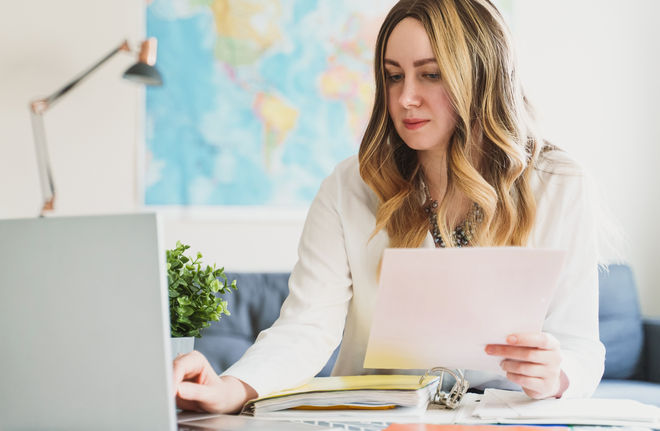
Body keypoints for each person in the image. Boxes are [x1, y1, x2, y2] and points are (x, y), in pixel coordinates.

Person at [173, 0, 605, 413]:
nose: (405, 98)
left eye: (431, 75)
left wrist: (559, 373)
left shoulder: (558, 184)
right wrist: (232, 388)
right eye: (393, 76)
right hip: (377, 415)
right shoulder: (349, 187)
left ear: (481, 77)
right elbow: (306, 327)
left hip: (503, 417)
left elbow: (581, 345)